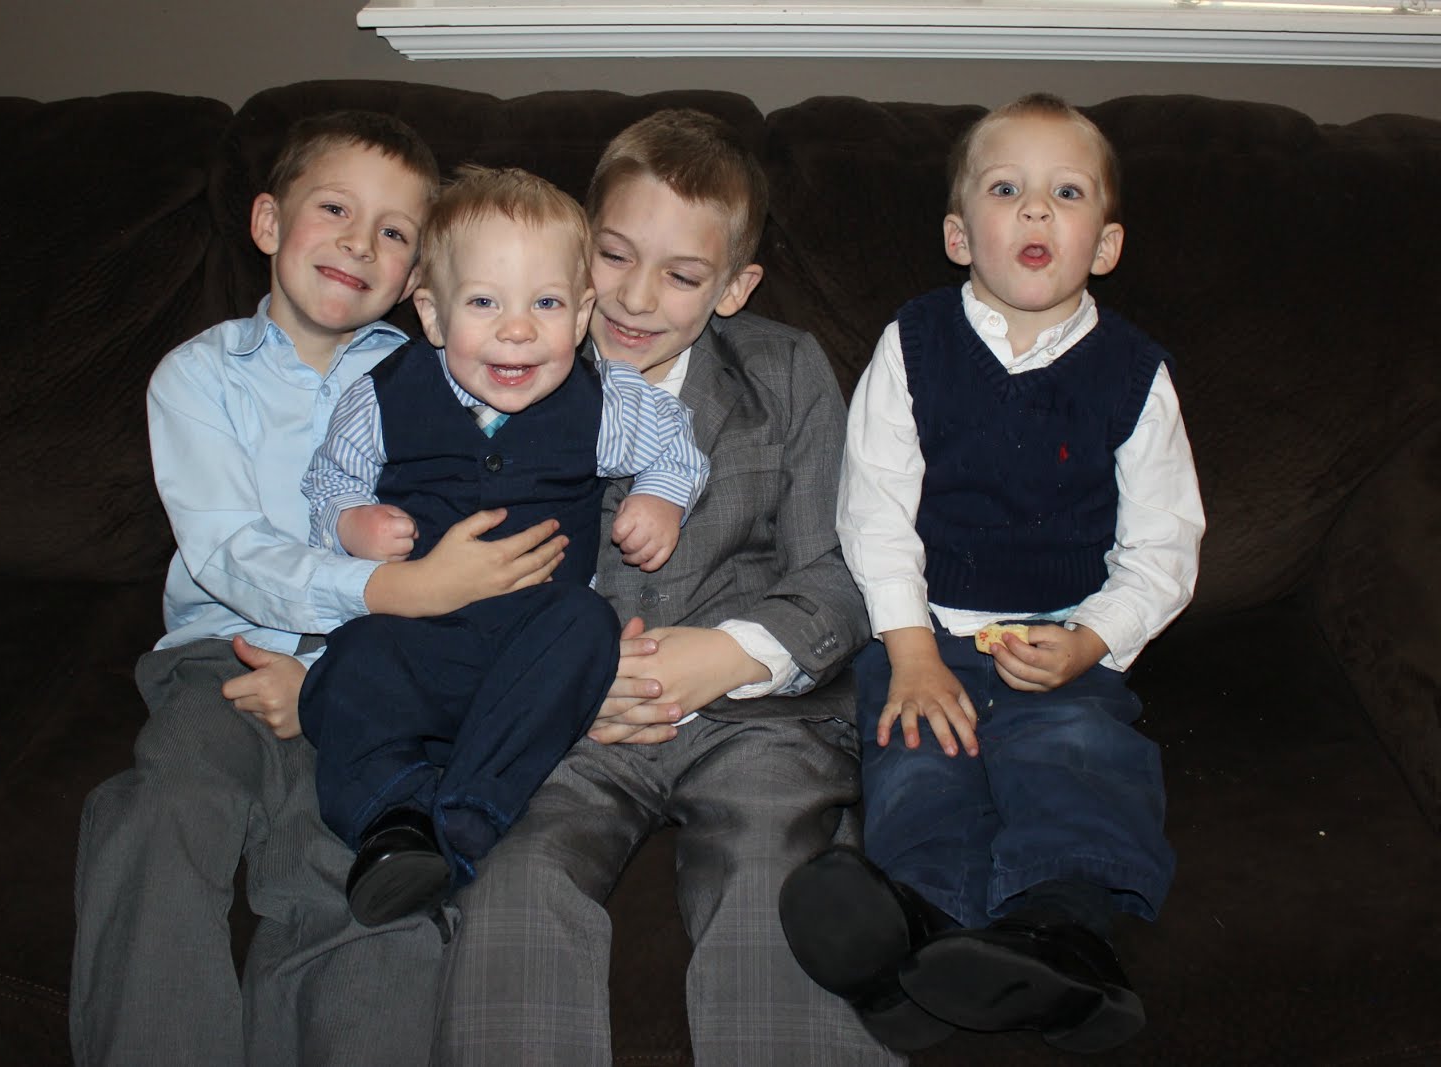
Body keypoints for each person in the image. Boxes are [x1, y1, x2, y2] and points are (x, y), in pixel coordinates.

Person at [70, 111, 566, 1066]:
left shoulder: (438, 383)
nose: (360, 241)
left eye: (395, 231)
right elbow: (227, 549)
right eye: (335, 209)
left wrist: (347, 667)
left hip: (373, 680)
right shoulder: (197, 376)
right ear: (267, 222)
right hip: (218, 659)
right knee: (164, 808)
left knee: (368, 869)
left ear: (417, 279)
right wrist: (382, 588)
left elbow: (486, 524)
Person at [433, 110, 899, 1066]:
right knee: (511, 878)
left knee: (774, 873)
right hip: (565, 725)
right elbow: (451, 573)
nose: (637, 297)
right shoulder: (504, 366)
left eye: (683, 276)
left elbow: (846, 570)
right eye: (613, 257)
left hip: (755, 717)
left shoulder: (787, 370)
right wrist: (555, 678)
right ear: (579, 244)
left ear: (734, 287)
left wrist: (730, 653)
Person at [779, 92, 1205, 1055]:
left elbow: (1166, 543)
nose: (1036, 209)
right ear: (959, 235)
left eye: (1067, 193)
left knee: (1075, 754)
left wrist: (1091, 640)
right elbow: (875, 507)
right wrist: (911, 650)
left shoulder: (1134, 375)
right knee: (919, 766)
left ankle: (1058, 929)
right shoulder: (915, 344)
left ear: (1106, 245)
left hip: (1064, 634)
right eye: (1006, 189)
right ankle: (920, 931)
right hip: (925, 629)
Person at [296, 165, 709, 928]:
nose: (517, 330)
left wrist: (660, 496)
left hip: (529, 646)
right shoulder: (382, 395)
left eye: (545, 303)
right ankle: (394, 820)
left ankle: (469, 811)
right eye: (484, 302)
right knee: (346, 668)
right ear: (431, 312)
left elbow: (675, 445)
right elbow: (329, 480)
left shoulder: (605, 401)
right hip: (416, 634)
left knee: (587, 628)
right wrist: (353, 522)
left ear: (581, 315)